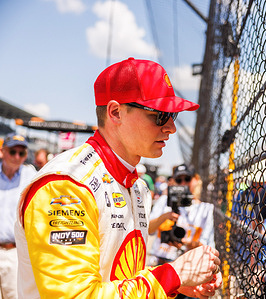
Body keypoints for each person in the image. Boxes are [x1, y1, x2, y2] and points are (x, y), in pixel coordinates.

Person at [14, 58, 221, 298]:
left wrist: (175, 283)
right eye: (160, 115)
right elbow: (77, 295)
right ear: (115, 112)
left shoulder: (138, 187)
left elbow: (119, 276)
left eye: (172, 115)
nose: (171, 128)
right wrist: (170, 275)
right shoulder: (65, 186)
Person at [148, 164, 215, 266]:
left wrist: (187, 243)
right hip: (160, 261)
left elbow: (207, 245)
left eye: (187, 179)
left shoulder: (205, 209)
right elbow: (148, 229)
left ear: (196, 179)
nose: (183, 183)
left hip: (187, 264)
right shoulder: (163, 201)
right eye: (179, 180)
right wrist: (165, 217)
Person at [0, 133, 36, 299]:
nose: (17, 156)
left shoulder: (30, 175)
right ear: (3, 151)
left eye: (21, 153)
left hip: (15, 251)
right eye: (13, 151)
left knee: (14, 296)